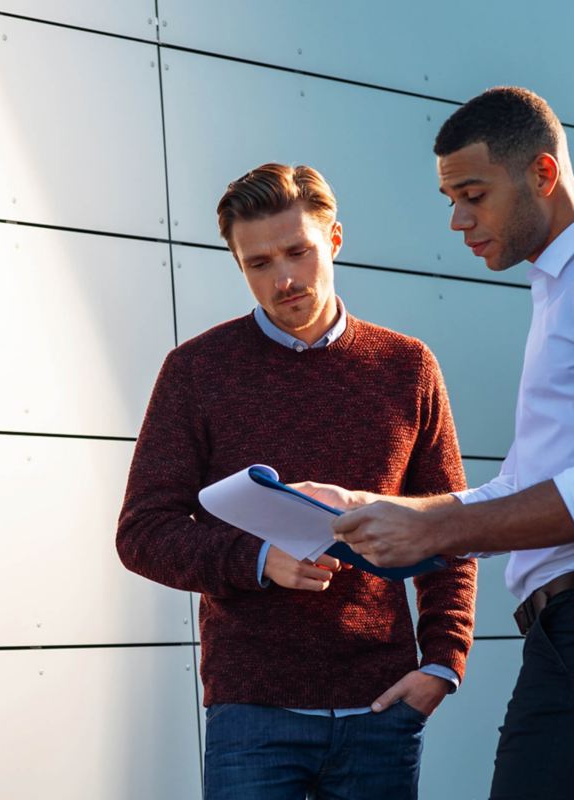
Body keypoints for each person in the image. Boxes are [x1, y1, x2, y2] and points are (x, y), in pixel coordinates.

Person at [300, 88, 574, 799]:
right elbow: (527, 487)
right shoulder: (569, 287)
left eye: (473, 194)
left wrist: (438, 526)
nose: (458, 220)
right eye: (449, 198)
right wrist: (390, 510)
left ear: (543, 176)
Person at [116, 162, 477, 800]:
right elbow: (143, 532)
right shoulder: (197, 371)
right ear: (238, 265)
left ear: (334, 240)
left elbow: (448, 528)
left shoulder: (407, 367)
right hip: (252, 709)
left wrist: (443, 663)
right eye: (258, 264)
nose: (282, 279)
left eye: (297, 252)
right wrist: (258, 560)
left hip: (381, 708)